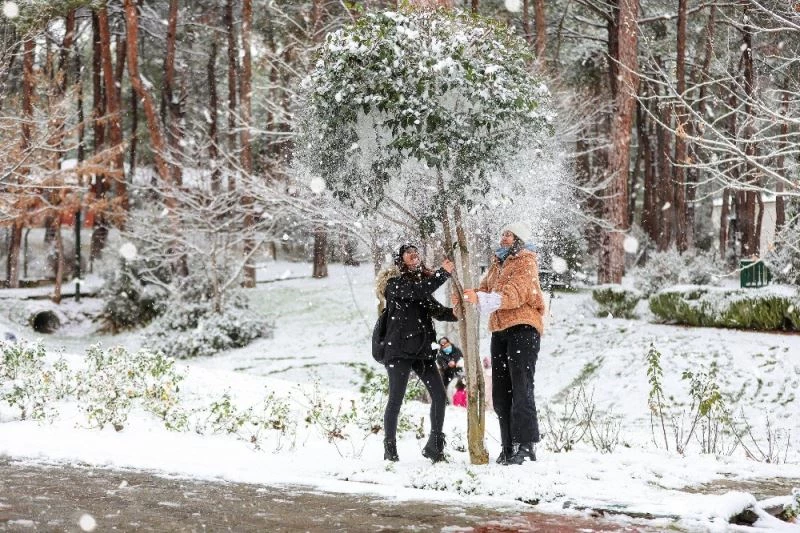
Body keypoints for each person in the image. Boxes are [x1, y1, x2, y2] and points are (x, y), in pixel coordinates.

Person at [459, 222, 545, 465]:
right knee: (500, 393)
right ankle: (508, 447)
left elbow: (515, 294)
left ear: (519, 238)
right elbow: (484, 289)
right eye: (502, 234)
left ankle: (526, 446)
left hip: (523, 328)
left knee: (521, 387)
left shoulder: (526, 262)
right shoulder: (499, 263)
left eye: (509, 234)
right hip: (500, 330)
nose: (503, 238)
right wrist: (467, 294)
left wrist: (482, 297)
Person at [376, 243, 457, 463]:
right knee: (396, 399)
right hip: (399, 351)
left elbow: (438, 311)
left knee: (439, 397)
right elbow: (418, 291)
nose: (414, 255)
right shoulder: (394, 284)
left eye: (416, 252)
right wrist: (442, 274)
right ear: (401, 260)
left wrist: (458, 311)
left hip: (422, 352)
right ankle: (390, 449)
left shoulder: (421, 284)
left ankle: (435, 445)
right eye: (408, 253)